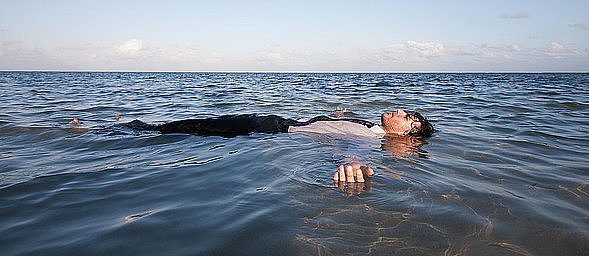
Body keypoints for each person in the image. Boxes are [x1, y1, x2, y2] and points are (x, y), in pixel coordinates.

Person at [127, 108, 434, 184]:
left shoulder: (370, 138)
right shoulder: (370, 127)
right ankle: (126, 129)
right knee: (191, 127)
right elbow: (339, 127)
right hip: (270, 124)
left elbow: (350, 146)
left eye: (406, 116)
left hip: (265, 129)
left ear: (410, 130)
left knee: (188, 128)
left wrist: (352, 162)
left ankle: (119, 131)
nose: (397, 111)